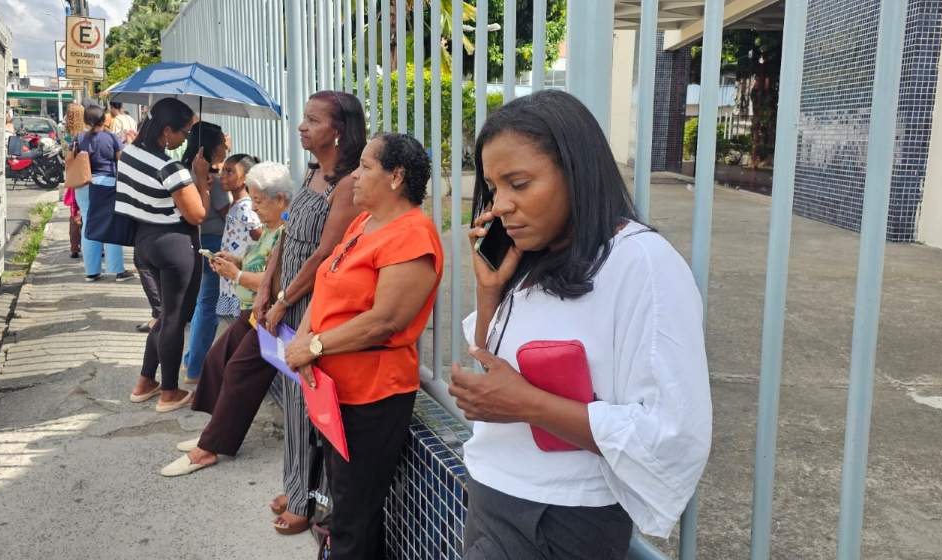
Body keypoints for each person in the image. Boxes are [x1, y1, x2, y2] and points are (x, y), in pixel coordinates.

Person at [447, 90, 712, 559]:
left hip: (560, 517)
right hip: (492, 492)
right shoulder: (534, 257)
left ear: (576, 172)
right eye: (493, 187)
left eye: (520, 183)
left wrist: (529, 404)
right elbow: (495, 366)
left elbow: (670, 432)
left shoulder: (643, 265)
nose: (501, 205)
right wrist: (490, 290)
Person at [284, 133, 442, 559]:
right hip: (335, 392)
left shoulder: (412, 236)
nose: (354, 173)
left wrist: (314, 346)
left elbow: (384, 321)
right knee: (345, 505)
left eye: (367, 166)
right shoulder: (364, 222)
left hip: (373, 397)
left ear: (397, 177)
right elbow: (327, 280)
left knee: (355, 513)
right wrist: (303, 339)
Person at [259, 90, 365, 535]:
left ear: (337, 132)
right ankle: (298, 483)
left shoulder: (348, 183)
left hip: (313, 302)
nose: (302, 126)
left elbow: (325, 253)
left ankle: (302, 500)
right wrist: (266, 286)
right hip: (289, 295)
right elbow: (287, 238)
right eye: (304, 118)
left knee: (307, 404)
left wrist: (284, 300)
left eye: (313, 120)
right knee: (295, 400)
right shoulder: (311, 172)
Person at [159, 161, 293, 478]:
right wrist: (236, 260)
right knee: (217, 359)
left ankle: (207, 449)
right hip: (252, 313)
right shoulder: (271, 230)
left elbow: (277, 282)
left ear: (281, 201)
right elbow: (255, 262)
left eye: (259, 201)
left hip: (269, 316)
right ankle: (213, 433)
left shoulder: (287, 234)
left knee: (238, 370)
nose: (255, 208)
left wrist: (238, 274)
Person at [115, 97, 209, 412]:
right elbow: (197, 215)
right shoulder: (170, 168)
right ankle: (169, 391)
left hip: (144, 243)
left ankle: (145, 381)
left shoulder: (128, 154)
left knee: (163, 315)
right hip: (174, 245)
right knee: (174, 319)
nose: (184, 139)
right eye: (182, 133)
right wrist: (199, 178)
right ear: (166, 130)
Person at [178, 123, 230, 383]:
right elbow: (228, 215)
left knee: (202, 303)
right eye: (222, 141)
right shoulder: (213, 181)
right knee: (208, 305)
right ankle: (196, 368)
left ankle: (191, 361)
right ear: (210, 146)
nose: (226, 146)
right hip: (213, 242)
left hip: (194, 242)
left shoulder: (186, 172)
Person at [72, 105, 131, 282]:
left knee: (88, 223)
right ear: (103, 119)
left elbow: (71, 158)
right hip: (106, 184)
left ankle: (91, 272)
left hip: (83, 185)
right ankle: (117, 271)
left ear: (86, 121)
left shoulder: (79, 138)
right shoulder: (111, 138)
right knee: (110, 225)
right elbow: (122, 160)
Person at [215, 154, 264, 322]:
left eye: (229, 172)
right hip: (232, 279)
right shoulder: (237, 204)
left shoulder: (245, 207)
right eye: (223, 171)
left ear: (246, 178)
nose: (222, 176)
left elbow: (260, 236)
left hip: (239, 281)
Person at [63, 103, 86, 260]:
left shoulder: (65, 134)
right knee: (87, 211)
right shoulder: (85, 134)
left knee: (74, 211)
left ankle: (74, 247)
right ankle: (90, 243)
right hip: (85, 173)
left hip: (72, 174)